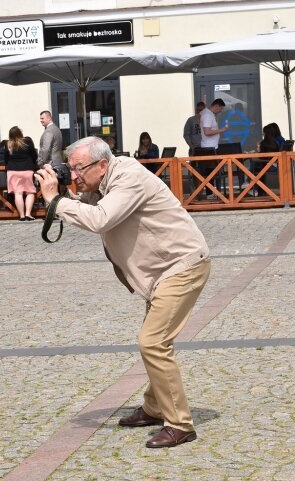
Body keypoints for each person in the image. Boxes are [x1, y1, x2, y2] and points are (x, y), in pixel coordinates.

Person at [35, 136, 211, 449]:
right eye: (70, 169)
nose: (74, 175)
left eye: (78, 169)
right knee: (154, 340)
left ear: (102, 164)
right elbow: (92, 210)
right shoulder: (103, 184)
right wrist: (63, 191)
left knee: (153, 342)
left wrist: (55, 201)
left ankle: (180, 425)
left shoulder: (128, 177)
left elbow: (100, 219)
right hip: (162, 273)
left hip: (181, 267)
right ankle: (156, 407)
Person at [4, 126, 38, 221]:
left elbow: (5, 159)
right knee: (30, 192)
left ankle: (22, 215)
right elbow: (34, 155)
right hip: (27, 169)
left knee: (17, 193)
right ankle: (28, 214)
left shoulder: (8, 144)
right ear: (20, 133)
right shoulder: (27, 141)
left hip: (13, 170)